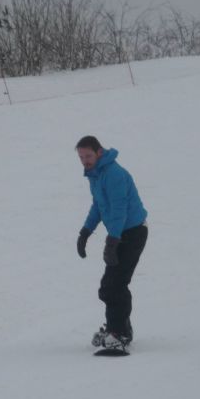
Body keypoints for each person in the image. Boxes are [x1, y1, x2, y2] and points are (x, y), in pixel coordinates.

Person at [75, 136, 148, 351]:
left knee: (116, 284)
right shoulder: (96, 175)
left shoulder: (113, 174)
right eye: (81, 157)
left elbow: (119, 209)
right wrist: (85, 231)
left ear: (99, 152)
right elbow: (98, 206)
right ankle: (116, 328)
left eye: (88, 155)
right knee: (109, 286)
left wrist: (112, 241)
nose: (84, 160)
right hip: (120, 233)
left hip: (132, 232)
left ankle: (120, 334)